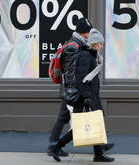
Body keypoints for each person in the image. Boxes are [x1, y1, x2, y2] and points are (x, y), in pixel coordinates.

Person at [48, 28, 114, 163]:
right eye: (100, 43)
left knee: (96, 123)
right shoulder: (85, 56)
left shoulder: (91, 55)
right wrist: (87, 97)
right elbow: (81, 78)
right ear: (94, 43)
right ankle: (57, 146)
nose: (102, 46)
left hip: (90, 95)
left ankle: (98, 153)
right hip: (85, 97)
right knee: (80, 127)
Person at [47, 17, 93, 158]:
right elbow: (73, 71)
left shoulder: (78, 43)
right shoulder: (74, 46)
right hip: (72, 90)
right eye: (89, 31)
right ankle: (55, 146)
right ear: (83, 32)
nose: (91, 33)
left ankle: (53, 145)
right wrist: (77, 91)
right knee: (76, 119)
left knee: (63, 117)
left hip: (69, 89)